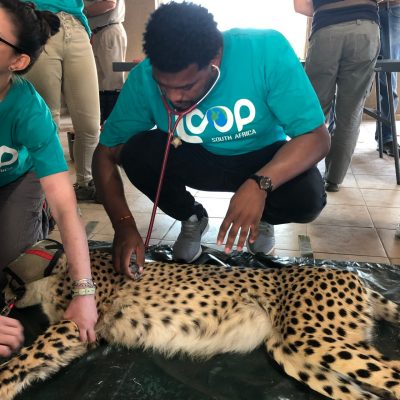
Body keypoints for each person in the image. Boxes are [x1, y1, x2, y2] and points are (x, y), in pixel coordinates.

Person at [92, 1, 330, 277]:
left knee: (308, 196)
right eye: (164, 86)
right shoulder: (144, 76)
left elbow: (317, 137)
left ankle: (262, 216)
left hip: (262, 157)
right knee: (135, 152)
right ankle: (192, 217)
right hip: (197, 157)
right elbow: (105, 153)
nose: (173, 98)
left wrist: (260, 185)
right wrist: (123, 225)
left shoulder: (266, 50)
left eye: (185, 86)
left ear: (215, 60)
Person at [0, 0, 97, 355]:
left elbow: (67, 207)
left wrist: (85, 293)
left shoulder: (30, 111)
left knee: (15, 266)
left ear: (18, 62)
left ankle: (31, 218)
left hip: (17, 179)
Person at [294, 0, 380, 192]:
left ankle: (301, 174)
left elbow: (300, 5)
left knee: (314, 110)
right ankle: (333, 179)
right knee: (350, 111)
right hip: (365, 29)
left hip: (326, 28)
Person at [22, 0, 101, 201]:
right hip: (38, 21)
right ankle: (47, 188)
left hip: (76, 26)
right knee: (47, 121)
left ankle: (86, 182)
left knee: (90, 123)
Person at [84, 0, 127, 125]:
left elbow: (109, 3)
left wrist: (81, 11)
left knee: (113, 82)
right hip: (99, 32)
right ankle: (104, 124)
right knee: (100, 82)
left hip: (109, 31)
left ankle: (114, 124)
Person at [376, 0, 400, 156]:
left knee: (388, 78)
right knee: (346, 73)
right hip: (359, 9)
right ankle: (335, 132)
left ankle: (387, 136)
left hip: (391, 8)